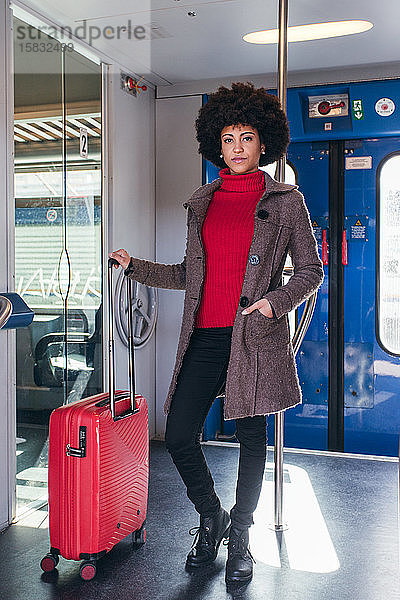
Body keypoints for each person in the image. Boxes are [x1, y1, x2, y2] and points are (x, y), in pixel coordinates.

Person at [110, 81, 324, 585]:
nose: (236, 148)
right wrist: (135, 266)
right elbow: (190, 274)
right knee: (181, 434)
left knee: (252, 439)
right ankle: (212, 518)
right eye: (227, 139)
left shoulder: (287, 201)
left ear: (263, 143)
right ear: (216, 145)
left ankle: (242, 536)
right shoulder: (201, 201)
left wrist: (275, 303)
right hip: (205, 334)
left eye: (245, 138)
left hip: (254, 336)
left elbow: (310, 271)